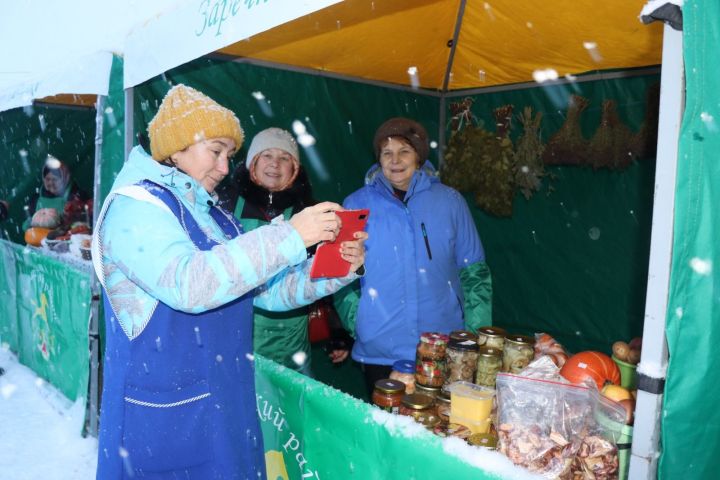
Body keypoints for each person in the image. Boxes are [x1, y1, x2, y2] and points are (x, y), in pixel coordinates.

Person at [90, 84, 366, 479]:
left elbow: (268, 291)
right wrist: (289, 237)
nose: (224, 168)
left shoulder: (212, 215)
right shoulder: (135, 207)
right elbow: (189, 284)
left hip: (223, 404)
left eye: (228, 156)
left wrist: (336, 270)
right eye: (216, 151)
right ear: (178, 146)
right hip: (163, 417)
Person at [335, 117, 492, 396]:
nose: (395, 160)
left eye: (404, 151)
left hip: (441, 343)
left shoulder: (450, 201)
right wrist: (358, 322)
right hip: (380, 346)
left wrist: (473, 338)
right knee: (386, 430)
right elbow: (340, 276)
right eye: (387, 153)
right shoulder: (356, 204)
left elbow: (474, 273)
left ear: (418, 156)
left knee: (441, 431)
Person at [218, 127, 350, 374]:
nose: (275, 165)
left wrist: (337, 329)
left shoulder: (310, 212)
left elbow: (328, 274)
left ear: (295, 168)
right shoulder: (223, 206)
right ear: (252, 163)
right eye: (267, 155)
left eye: (284, 158)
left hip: (290, 350)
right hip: (233, 343)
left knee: (287, 411)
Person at [23, 156, 89, 232]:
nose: (51, 183)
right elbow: (27, 224)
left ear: (64, 178)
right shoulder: (35, 199)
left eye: (55, 179)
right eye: (48, 179)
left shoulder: (78, 196)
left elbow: (84, 222)